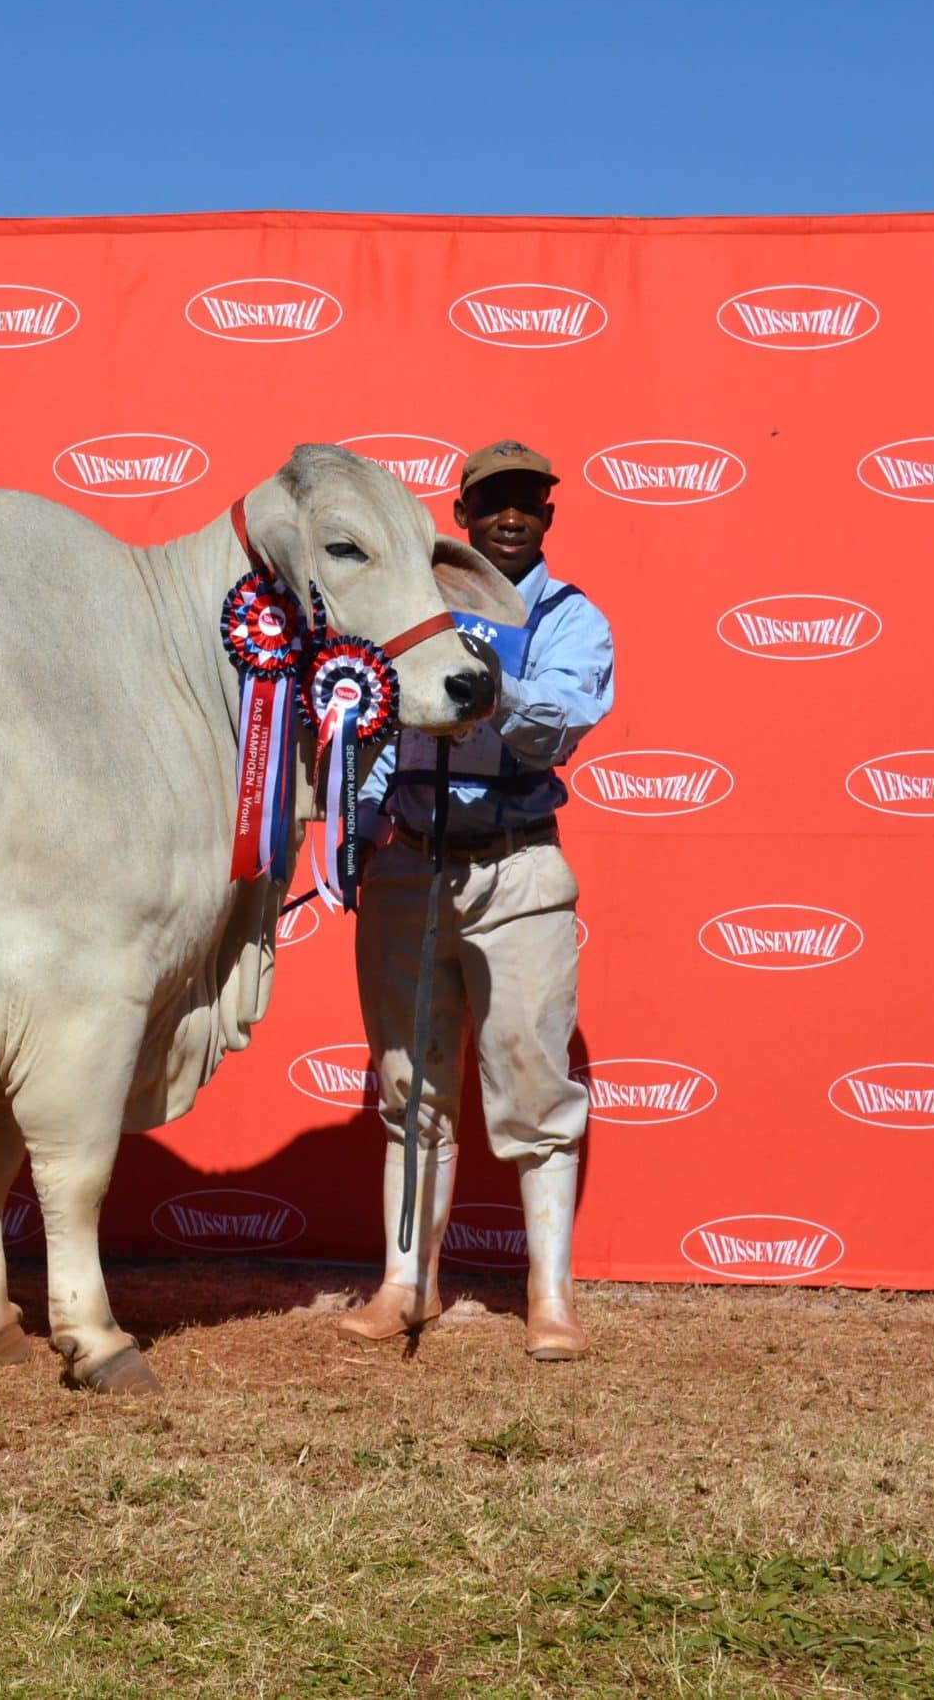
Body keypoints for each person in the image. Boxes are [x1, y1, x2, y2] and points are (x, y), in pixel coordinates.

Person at [339, 439, 615, 1361]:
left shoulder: (572, 617)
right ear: (459, 516)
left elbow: (562, 724)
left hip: (519, 861)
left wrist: (484, 683)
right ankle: (403, 1285)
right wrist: (357, 825)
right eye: (492, 501)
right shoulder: (409, 612)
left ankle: (550, 1297)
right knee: (409, 1087)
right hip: (411, 861)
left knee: (535, 1084)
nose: (510, 516)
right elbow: (369, 726)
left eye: (527, 502)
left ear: (547, 515)